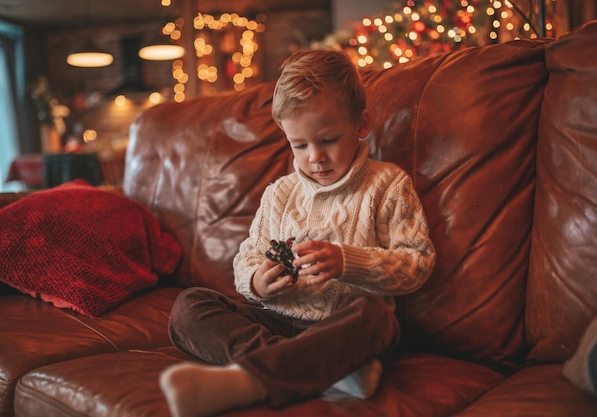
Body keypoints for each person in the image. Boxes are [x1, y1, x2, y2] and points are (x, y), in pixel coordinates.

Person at [159, 49, 436, 417]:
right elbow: (247, 258)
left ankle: (249, 380)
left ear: (361, 123)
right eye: (299, 145)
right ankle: (327, 372)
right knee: (188, 307)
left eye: (329, 140)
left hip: (345, 327)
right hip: (277, 320)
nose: (315, 157)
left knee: (376, 315)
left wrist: (347, 262)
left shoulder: (387, 184)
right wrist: (258, 281)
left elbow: (417, 263)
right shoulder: (280, 194)